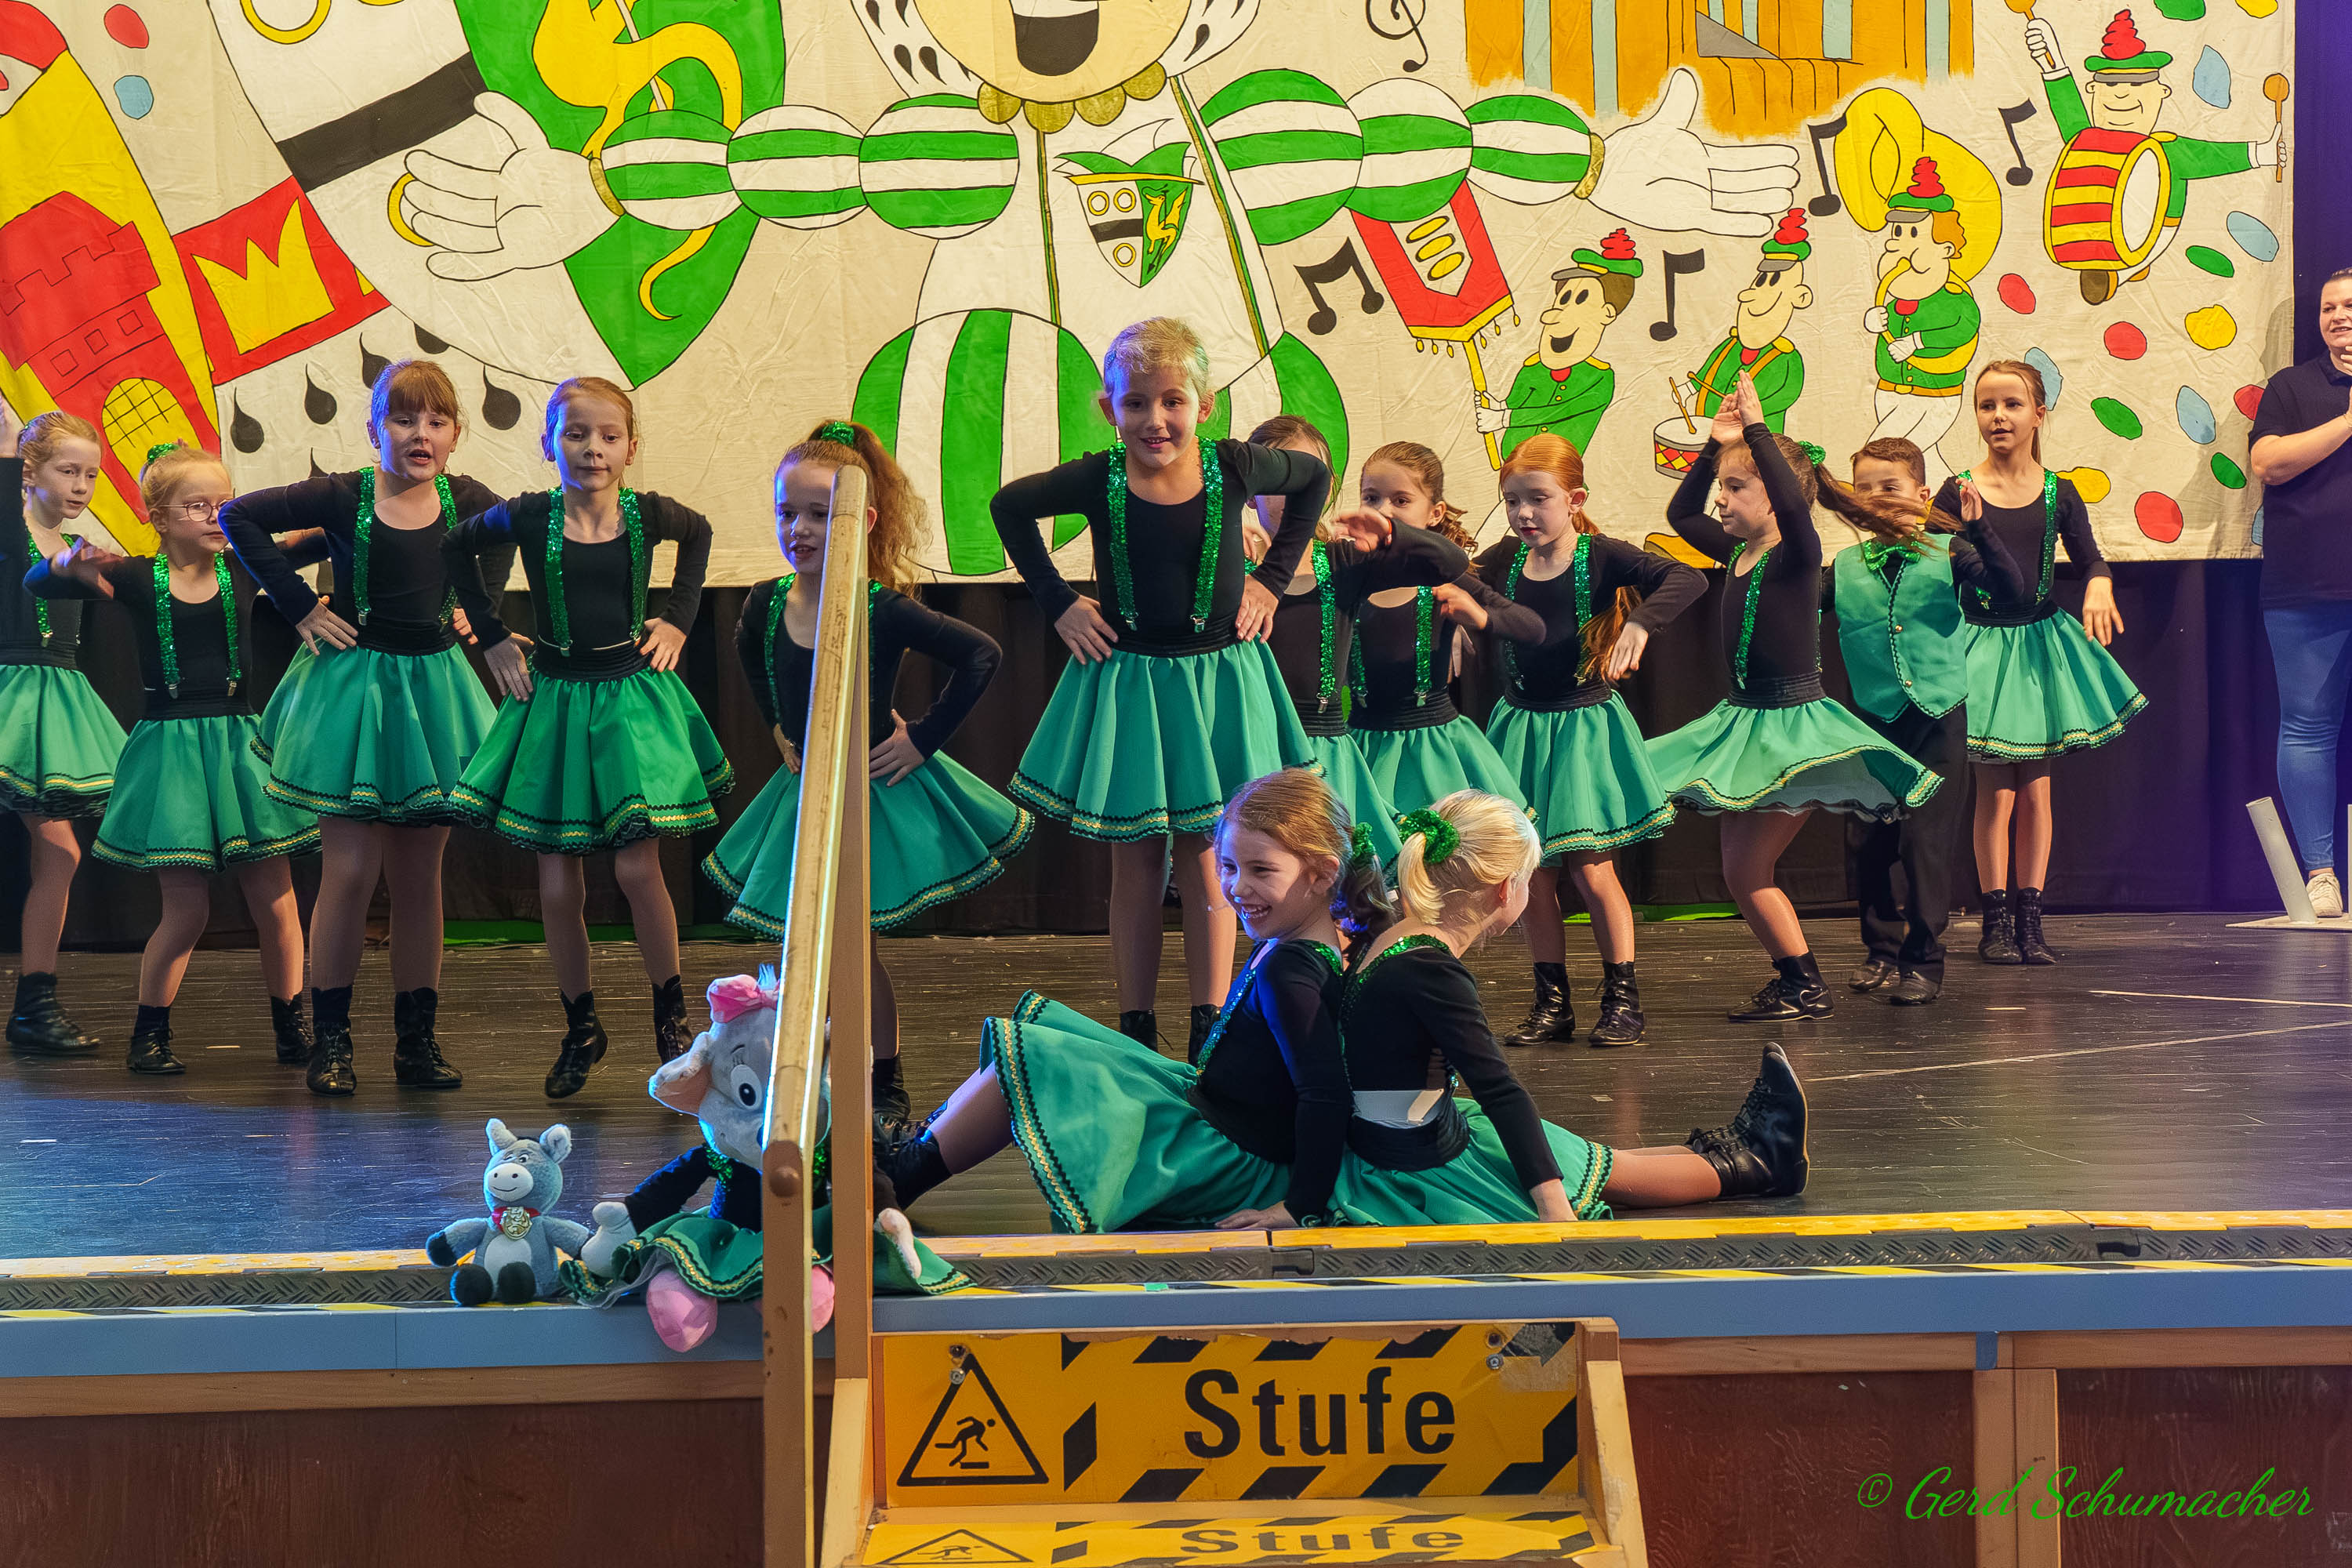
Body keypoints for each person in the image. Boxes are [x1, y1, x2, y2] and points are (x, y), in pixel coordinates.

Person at [992, 318, 1329, 1062]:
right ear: (1109, 408)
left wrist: (1272, 581)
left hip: (1217, 682)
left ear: (1203, 406)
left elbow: (1311, 480)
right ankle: (1137, 1027)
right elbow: (1009, 506)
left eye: (1173, 401)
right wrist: (1057, 600)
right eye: (1136, 402)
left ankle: (1210, 1024)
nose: (1156, 419)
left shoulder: (1234, 465)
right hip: (1134, 684)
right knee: (1136, 858)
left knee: (1212, 852)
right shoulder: (1097, 478)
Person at [877, 768, 1379, 1232]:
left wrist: (1299, 1205)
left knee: (1040, 1060)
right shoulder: (1314, 937)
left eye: (1261, 871)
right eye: (1227, 866)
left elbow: (1324, 1094)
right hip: (1214, 1108)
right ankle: (915, 1150)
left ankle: (902, 1174)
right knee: (1050, 1041)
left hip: (1223, 1157)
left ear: (1322, 874)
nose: (1236, 887)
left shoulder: (1291, 972)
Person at [703, 419, 1031, 1122]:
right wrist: (778, 726)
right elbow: (748, 650)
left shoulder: (880, 607)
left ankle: (884, 1079)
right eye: (787, 513)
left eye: (820, 515)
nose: (800, 529)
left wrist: (922, 740)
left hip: (867, 793)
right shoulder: (765, 602)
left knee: (851, 945)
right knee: (807, 945)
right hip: (803, 794)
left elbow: (981, 654)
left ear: (863, 520)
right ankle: (814, 1074)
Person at [220, 360, 510, 1096]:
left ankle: (417, 1042)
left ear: (455, 434)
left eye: (436, 422)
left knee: (419, 876)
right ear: (375, 429)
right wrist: (299, 606)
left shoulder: (470, 501)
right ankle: (333, 1040)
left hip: (433, 694)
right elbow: (238, 516)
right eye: (403, 420)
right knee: (349, 871)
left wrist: (479, 604)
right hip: (353, 690)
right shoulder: (345, 494)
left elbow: (508, 532)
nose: (420, 434)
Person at [1330, 790, 1810, 1226]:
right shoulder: (1432, 971)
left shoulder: (1396, 936)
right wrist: (1553, 1208)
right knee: (1584, 1168)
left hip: (1406, 1131)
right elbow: (1499, 1090)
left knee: (1581, 1153)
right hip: (1415, 1162)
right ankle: (1755, 1163)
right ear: (1506, 889)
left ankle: (1732, 1148)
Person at [443, 377, 731, 1098]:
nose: (593, 448)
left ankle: (671, 1020)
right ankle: (581, 1026)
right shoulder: (531, 514)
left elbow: (700, 533)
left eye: (608, 436)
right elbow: (455, 547)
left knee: (637, 870)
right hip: (555, 703)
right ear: (550, 445)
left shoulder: (648, 514)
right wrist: (490, 635)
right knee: (555, 881)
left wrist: (679, 618)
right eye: (575, 434)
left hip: (629, 700)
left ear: (631, 447)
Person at [1649, 373, 1942, 1021]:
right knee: (1739, 872)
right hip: (1746, 723)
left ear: (1775, 494)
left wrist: (1758, 430)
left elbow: (1795, 510)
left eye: (1737, 487)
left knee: (1747, 871)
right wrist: (1715, 446)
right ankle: (1798, 982)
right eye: (1722, 486)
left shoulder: (1797, 555)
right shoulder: (1737, 551)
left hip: (1792, 728)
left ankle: (1805, 985)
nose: (1722, 499)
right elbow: (1679, 516)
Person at [28, 445, 319, 1075]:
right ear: (158, 517)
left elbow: (320, 538)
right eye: (198, 506)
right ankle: (150, 1034)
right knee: (187, 908)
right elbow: (38, 583)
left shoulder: (244, 565)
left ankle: (291, 1026)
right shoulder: (138, 578)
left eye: (225, 503)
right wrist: (65, 563)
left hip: (241, 748)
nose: (217, 516)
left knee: (277, 900)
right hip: (173, 750)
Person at [1476, 433, 1705, 1047]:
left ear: (1575, 500)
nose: (1524, 513)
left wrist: (1642, 622)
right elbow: (1457, 582)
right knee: (1534, 876)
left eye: (1539, 499)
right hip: (1521, 729)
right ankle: (1552, 1003)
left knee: (1592, 868)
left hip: (1581, 730)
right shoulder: (1504, 559)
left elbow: (1686, 578)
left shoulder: (1601, 556)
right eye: (1512, 500)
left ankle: (1622, 999)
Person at [1934, 360, 2143, 965]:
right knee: (1995, 792)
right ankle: (1994, 921)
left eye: (2012, 404)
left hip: (2039, 648)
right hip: (1982, 646)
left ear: (2039, 413)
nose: (1998, 416)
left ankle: (2031, 919)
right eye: (1987, 405)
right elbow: (1939, 565)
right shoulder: (1958, 491)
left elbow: (2089, 557)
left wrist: (2099, 581)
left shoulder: (2058, 492)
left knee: (2037, 790)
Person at [1830, 437, 2026, 1005]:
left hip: (1936, 719)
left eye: (1889, 487)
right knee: (1868, 842)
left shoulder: (1949, 552)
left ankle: (1923, 959)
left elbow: (2010, 589)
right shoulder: (1844, 566)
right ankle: (1881, 949)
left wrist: (1979, 528)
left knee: (1924, 843)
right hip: (1873, 721)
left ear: (1921, 494)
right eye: (1863, 489)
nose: (1876, 498)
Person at [1247, 415, 1472, 868]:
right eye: (1276, 478)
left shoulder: (1346, 563)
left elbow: (1449, 563)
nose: (1293, 491)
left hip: (1328, 751)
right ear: (1250, 493)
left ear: (1326, 489)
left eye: (1307, 476)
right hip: (1256, 750)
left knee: (1338, 879)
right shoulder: (1231, 571)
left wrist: (1393, 531)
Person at [0, 407, 125, 1058]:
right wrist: (6, 446)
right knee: (60, 851)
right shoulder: (10, 525)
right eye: (67, 471)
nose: (81, 486)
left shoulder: (77, 546)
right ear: (29, 472)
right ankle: (34, 1003)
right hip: (11, 692)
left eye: (91, 475)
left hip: (55, 698)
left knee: (62, 852)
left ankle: (35, 1003)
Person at [1348, 442, 1540, 816]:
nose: (1383, 511)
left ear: (1434, 513)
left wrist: (1480, 617)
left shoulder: (1444, 576)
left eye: (1401, 500)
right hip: (1362, 751)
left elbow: (1532, 628)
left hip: (1436, 751)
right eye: (1371, 498)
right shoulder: (1344, 575)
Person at [2248, 269, 2352, 917]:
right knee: (2309, 726)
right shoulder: (2292, 386)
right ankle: (2322, 873)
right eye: (2328, 307)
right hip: (2306, 586)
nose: (2339, 315)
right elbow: (2267, 463)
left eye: (2350, 305)